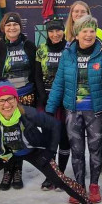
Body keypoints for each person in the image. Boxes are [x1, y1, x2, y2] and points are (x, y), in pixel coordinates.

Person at [46, 15, 102, 204]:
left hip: (96, 111)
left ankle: (94, 186)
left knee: (96, 150)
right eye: (84, 31)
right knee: (77, 150)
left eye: (92, 31)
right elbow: (59, 82)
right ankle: (79, 185)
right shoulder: (68, 54)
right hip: (72, 110)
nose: (88, 35)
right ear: (77, 33)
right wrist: (50, 108)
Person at [0, 12, 45, 191]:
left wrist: (40, 97)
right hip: (3, 101)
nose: (12, 28)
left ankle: (17, 169)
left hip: (25, 97)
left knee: (20, 135)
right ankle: (7, 170)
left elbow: (36, 73)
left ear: (20, 27)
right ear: (3, 28)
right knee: (5, 135)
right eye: (9, 25)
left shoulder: (30, 46)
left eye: (15, 25)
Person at [64, 1, 102, 176]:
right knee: (74, 138)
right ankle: (76, 171)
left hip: (95, 97)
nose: (79, 14)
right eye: (75, 11)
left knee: (99, 134)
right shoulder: (65, 35)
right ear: (71, 15)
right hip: (72, 95)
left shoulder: (97, 33)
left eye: (83, 11)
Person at [36, 17, 71, 191]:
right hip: (47, 101)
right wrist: (42, 95)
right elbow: (36, 75)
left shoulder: (70, 48)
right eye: (51, 31)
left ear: (63, 31)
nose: (55, 34)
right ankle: (51, 174)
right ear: (47, 33)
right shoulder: (41, 49)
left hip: (66, 100)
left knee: (64, 138)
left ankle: (61, 173)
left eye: (58, 30)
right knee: (49, 139)